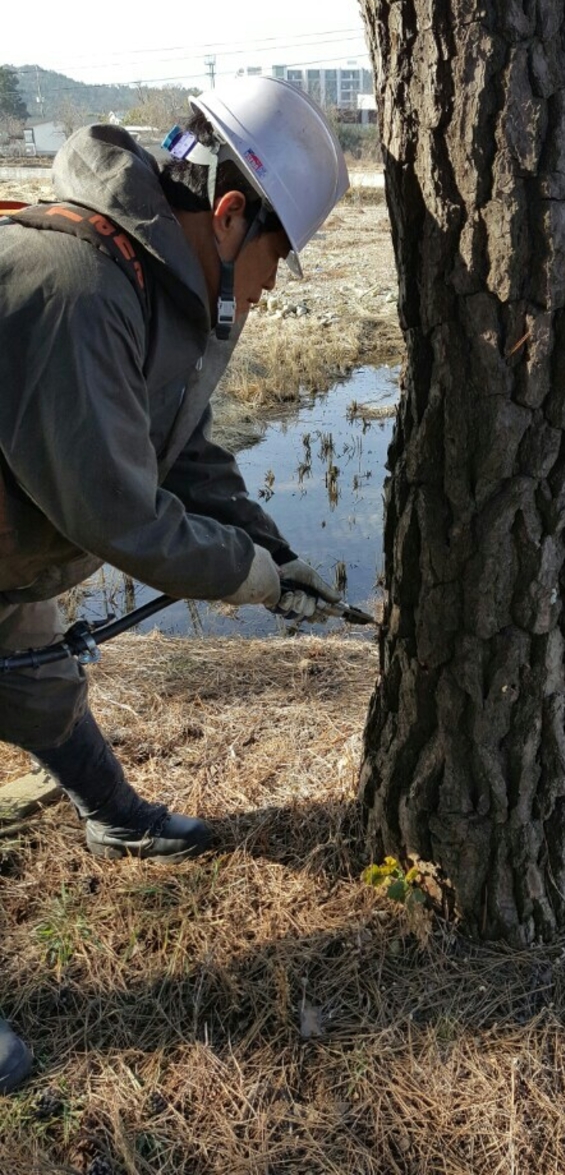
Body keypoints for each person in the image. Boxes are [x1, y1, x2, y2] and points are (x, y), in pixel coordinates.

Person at [0, 77, 350, 1091]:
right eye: (277, 259)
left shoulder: (167, 287)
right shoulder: (75, 285)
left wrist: (275, 551)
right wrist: (242, 577)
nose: (273, 287)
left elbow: (183, 453)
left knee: (37, 683)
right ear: (231, 215)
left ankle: (112, 814)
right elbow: (116, 509)